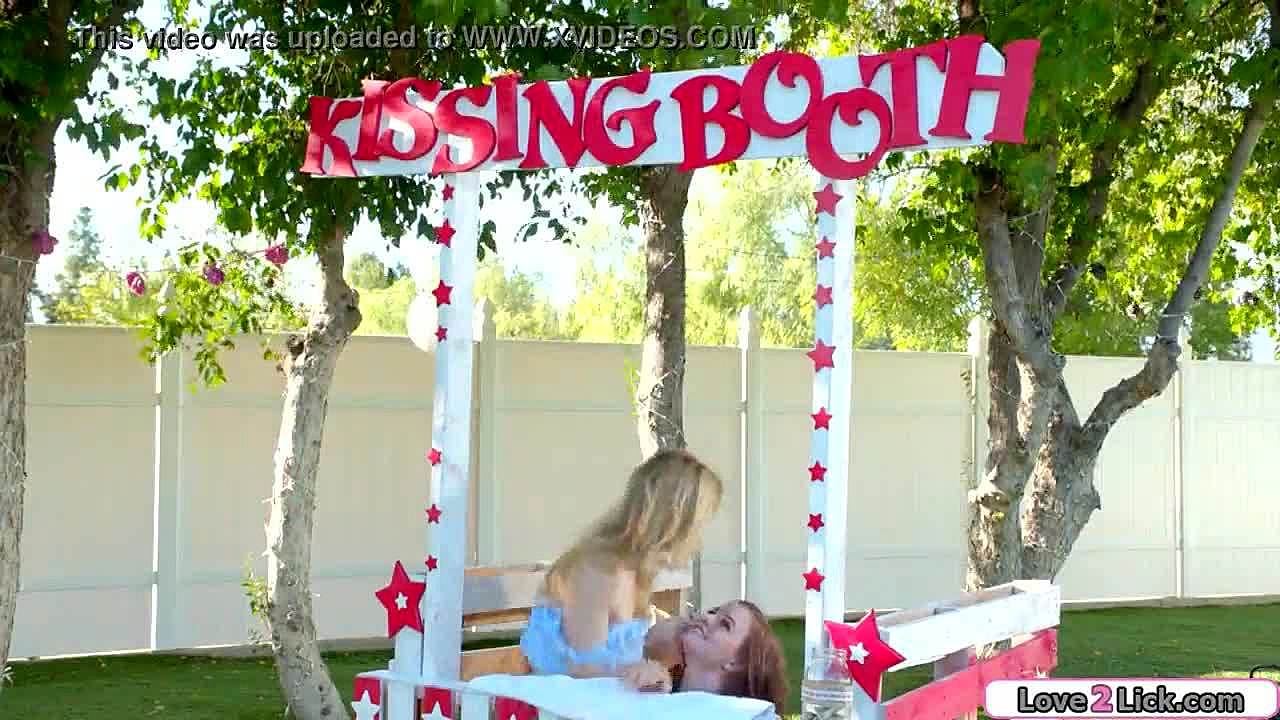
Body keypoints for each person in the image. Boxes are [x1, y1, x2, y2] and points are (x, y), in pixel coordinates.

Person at [519, 449, 724, 681]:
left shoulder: (634, 571)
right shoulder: (601, 571)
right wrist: (645, 674)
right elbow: (583, 674)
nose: (698, 539)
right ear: (674, 523)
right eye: (698, 526)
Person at [625, 600, 789, 714]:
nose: (706, 617)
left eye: (725, 624)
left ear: (736, 663)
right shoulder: (650, 684)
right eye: (713, 611)